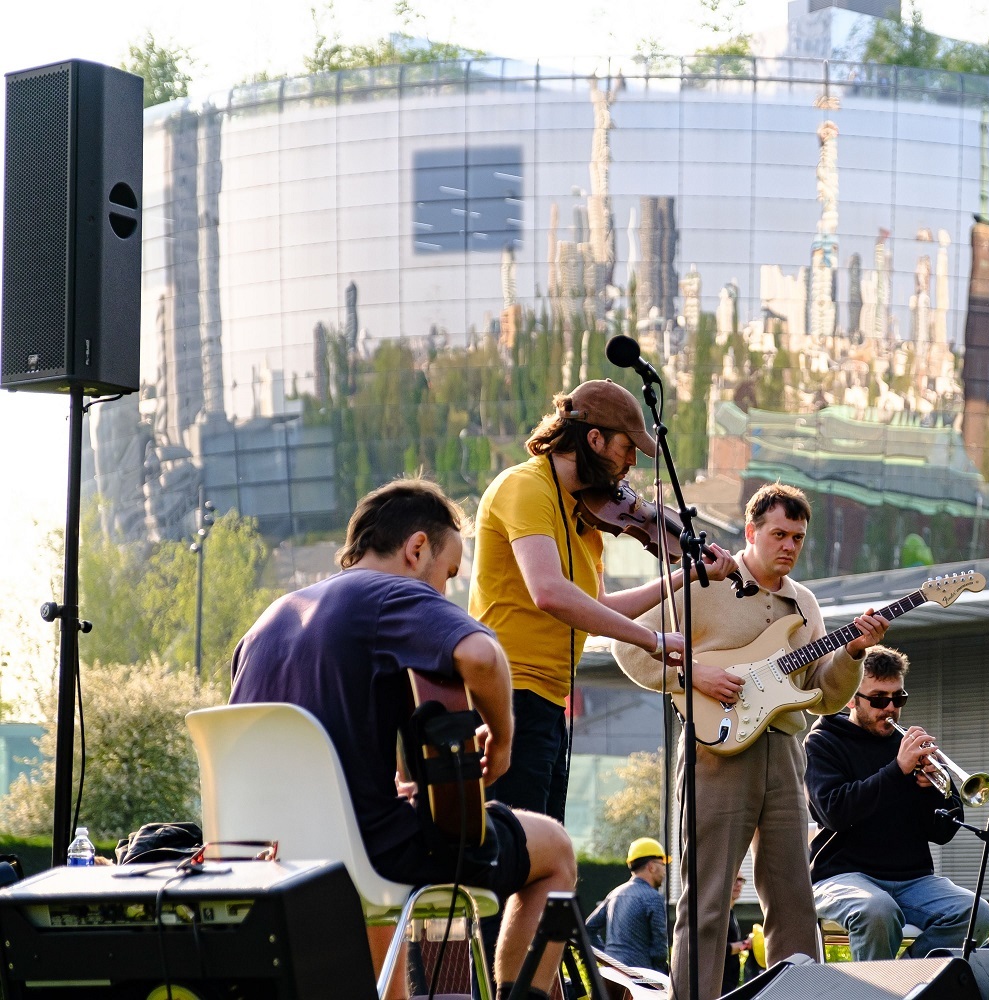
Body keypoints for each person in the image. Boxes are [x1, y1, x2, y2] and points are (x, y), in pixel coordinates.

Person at [230, 478, 577, 1000]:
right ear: (417, 549)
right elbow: (482, 656)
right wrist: (502, 740)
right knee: (555, 849)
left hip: (265, 857)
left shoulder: (265, 623)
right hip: (366, 850)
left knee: (397, 843)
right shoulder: (391, 593)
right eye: (448, 573)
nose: (443, 593)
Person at [614, 482, 890, 1000]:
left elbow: (824, 697)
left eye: (799, 538)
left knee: (794, 899)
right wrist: (692, 676)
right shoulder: (703, 580)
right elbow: (628, 647)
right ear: (751, 531)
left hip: (785, 756)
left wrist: (851, 654)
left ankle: (799, 997)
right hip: (715, 751)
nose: (789, 545)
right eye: (779, 534)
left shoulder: (804, 605)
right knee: (709, 897)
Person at [469, 379, 733, 821]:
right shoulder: (526, 487)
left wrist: (683, 576)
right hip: (510, 692)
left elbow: (597, 607)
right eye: (627, 449)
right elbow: (550, 593)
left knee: (543, 852)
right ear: (594, 439)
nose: (631, 464)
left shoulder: (585, 515)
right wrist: (651, 640)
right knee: (517, 849)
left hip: (549, 700)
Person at [803, 645, 989, 961]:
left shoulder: (906, 746)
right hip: (842, 876)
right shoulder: (824, 741)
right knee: (877, 910)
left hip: (913, 879)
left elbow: (942, 833)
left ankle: (909, 980)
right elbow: (835, 812)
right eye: (879, 699)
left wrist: (933, 790)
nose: (890, 708)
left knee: (978, 916)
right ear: (851, 698)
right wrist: (897, 771)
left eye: (898, 698)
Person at [585, 837, 670, 974]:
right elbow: (659, 950)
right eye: (663, 864)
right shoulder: (654, 898)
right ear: (651, 866)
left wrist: (609, 959)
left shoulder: (614, 894)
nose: (665, 871)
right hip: (640, 980)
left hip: (610, 976)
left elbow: (587, 929)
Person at [724, 874, 751, 994]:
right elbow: (720, 949)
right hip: (720, 985)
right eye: (734, 879)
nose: (738, 884)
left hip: (729, 984)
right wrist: (746, 944)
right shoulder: (721, 915)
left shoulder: (730, 913)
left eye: (741, 880)